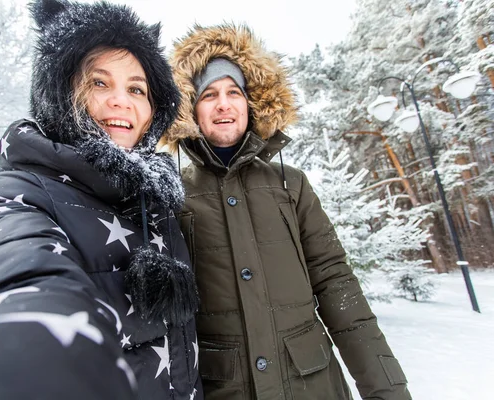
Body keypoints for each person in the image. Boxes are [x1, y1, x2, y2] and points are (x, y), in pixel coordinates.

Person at [0, 1, 201, 399]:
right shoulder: (18, 192)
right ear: (58, 93)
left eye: (137, 89)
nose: (121, 101)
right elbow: (17, 270)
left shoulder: (156, 203)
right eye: (98, 82)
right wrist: (14, 347)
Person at [162, 24, 411, 400]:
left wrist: (386, 388)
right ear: (189, 108)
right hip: (223, 388)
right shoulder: (170, 192)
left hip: (311, 384)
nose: (224, 104)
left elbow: (336, 284)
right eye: (209, 94)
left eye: (234, 92)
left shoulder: (291, 185)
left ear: (252, 102)